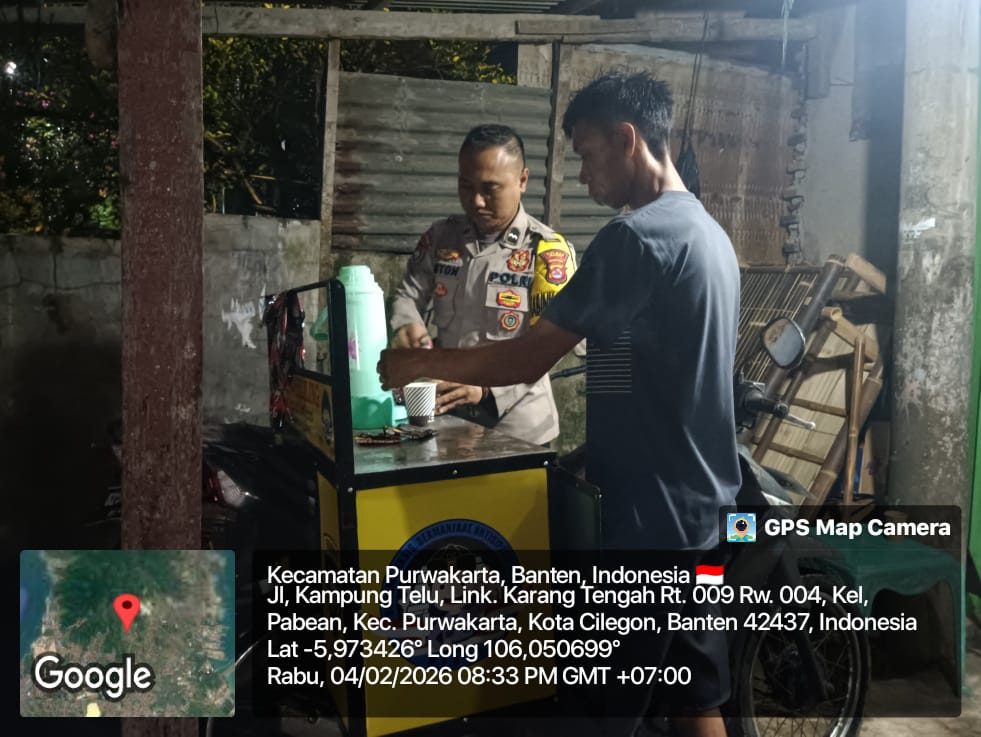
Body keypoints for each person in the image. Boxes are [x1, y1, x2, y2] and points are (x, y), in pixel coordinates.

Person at [379, 72, 740, 737]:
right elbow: (636, 366)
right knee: (695, 692)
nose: (581, 174)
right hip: (700, 514)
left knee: (601, 708)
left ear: (626, 140)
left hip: (646, 525)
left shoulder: (635, 239)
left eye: (587, 153)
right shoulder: (709, 235)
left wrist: (418, 365)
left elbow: (527, 357)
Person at [389, 124, 576, 446]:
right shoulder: (441, 237)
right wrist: (406, 323)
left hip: (518, 429)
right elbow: (407, 294)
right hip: (449, 417)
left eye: (490, 189)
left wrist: (488, 388)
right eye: (466, 186)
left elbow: (551, 348)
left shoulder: (547, 252)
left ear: (522, 181)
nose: (476, 201)